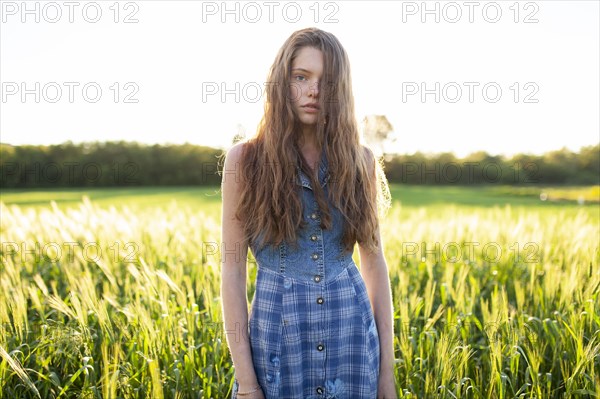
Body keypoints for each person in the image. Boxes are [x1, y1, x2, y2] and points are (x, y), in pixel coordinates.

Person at [220, 27, 398, 399]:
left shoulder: (360, 162)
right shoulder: (245, 161)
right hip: (277, 338)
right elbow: (232, 270)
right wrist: (248, 385)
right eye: (301, 77)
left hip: (350, 335)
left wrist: (386, 378)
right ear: (281, 82)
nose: (314, 91)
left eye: (326, 81)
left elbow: (374, 264)